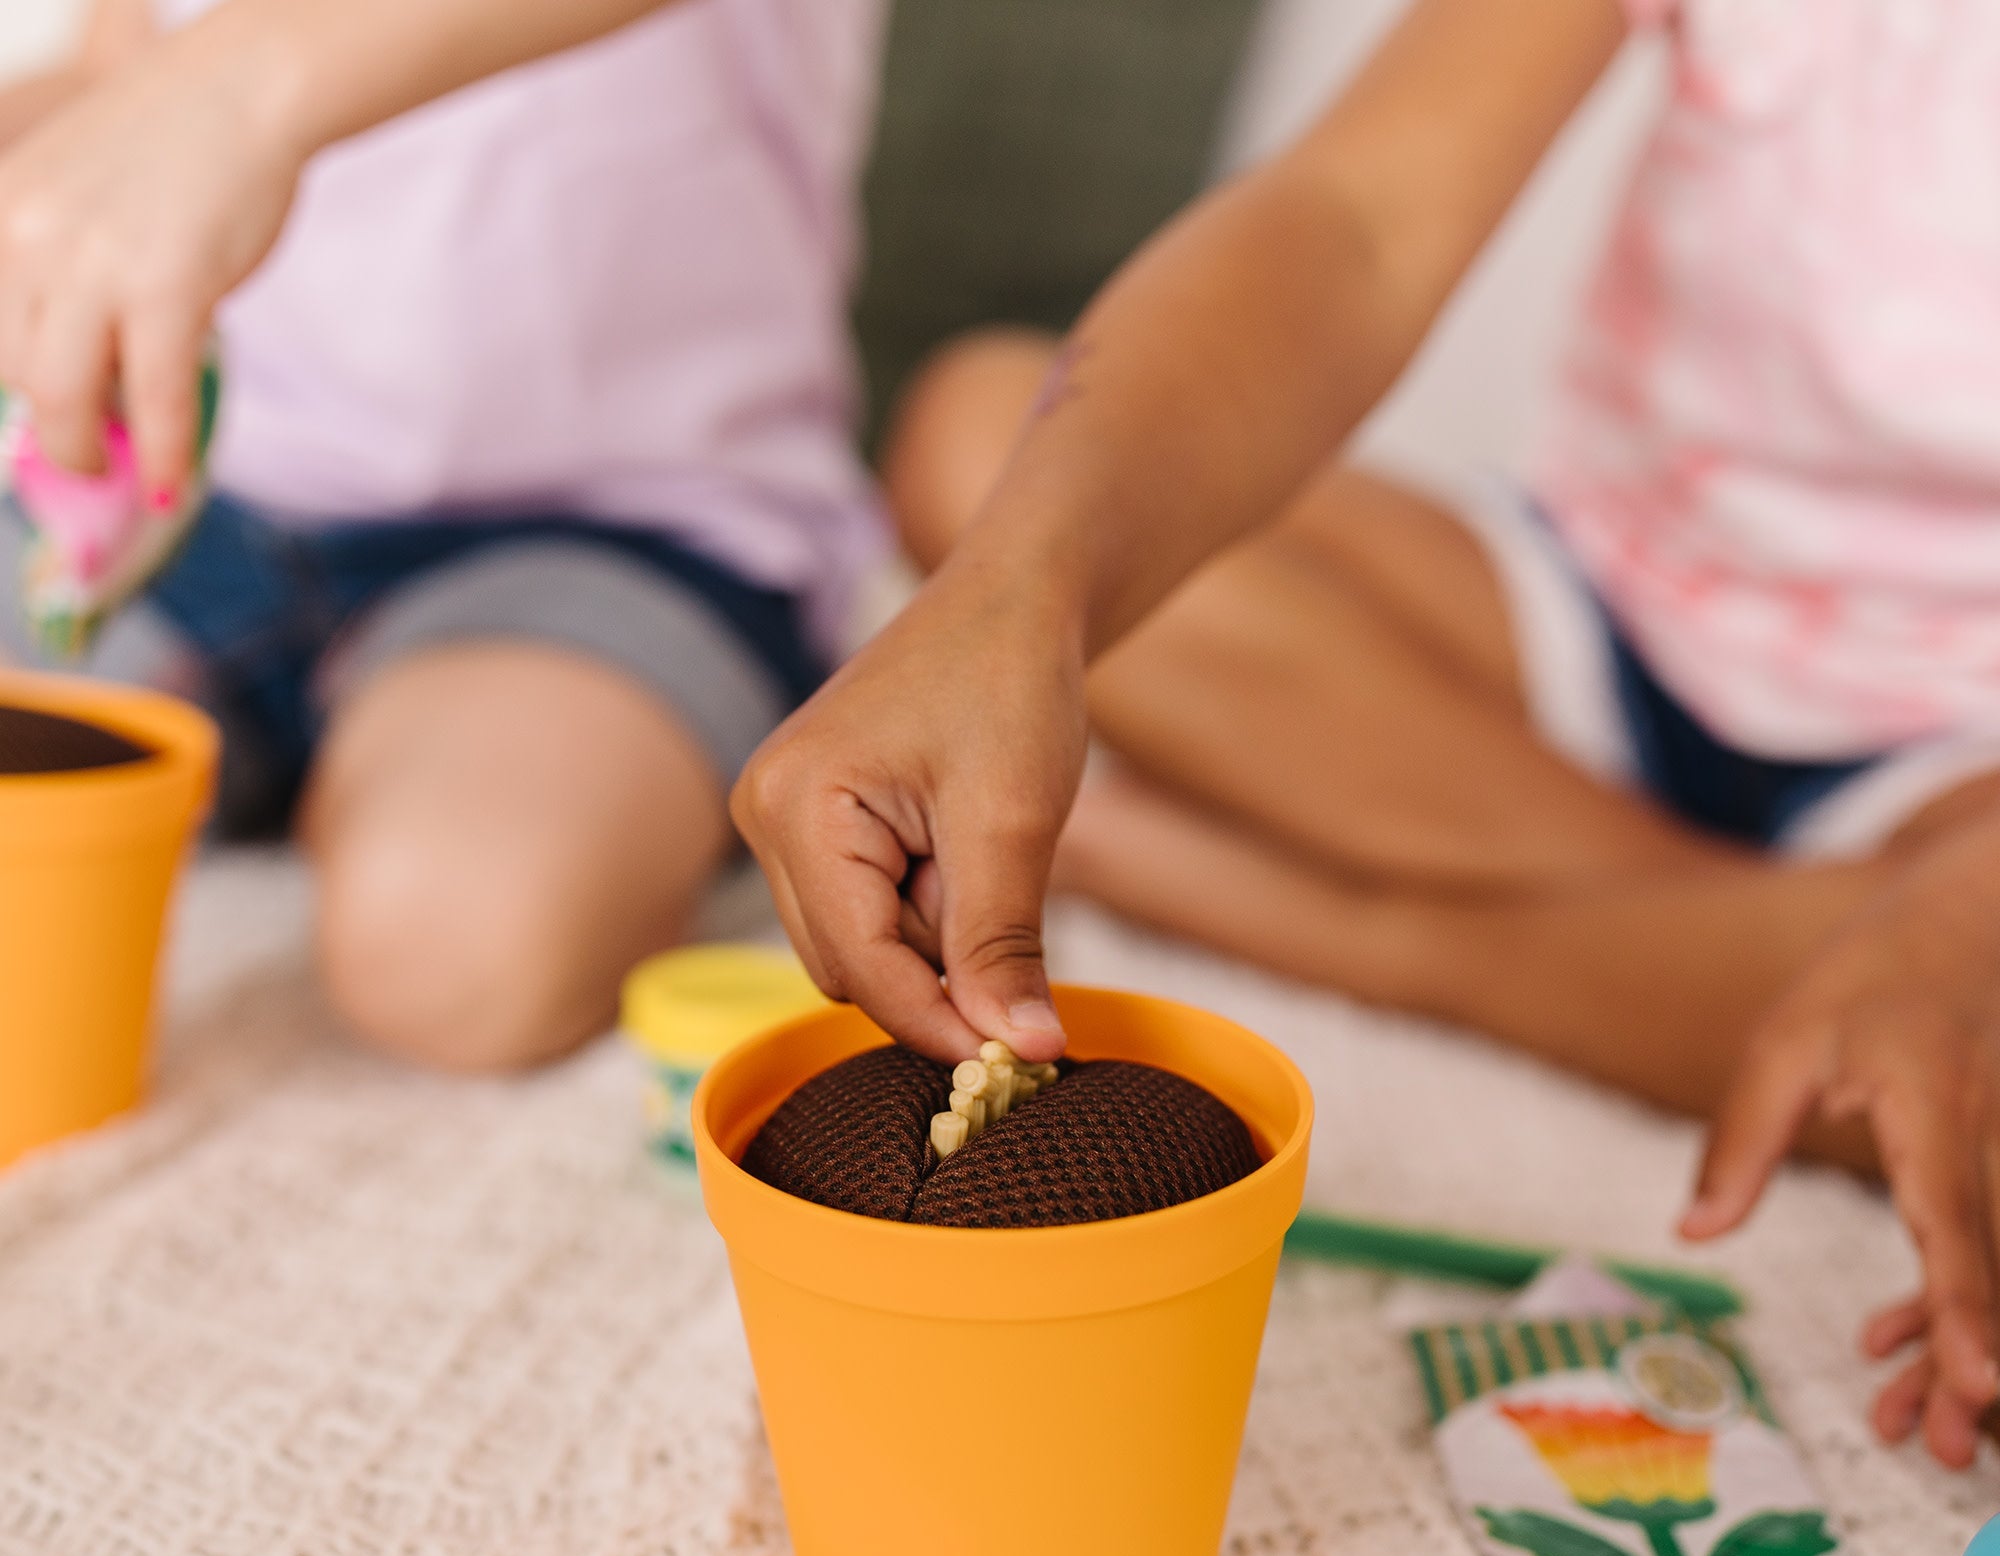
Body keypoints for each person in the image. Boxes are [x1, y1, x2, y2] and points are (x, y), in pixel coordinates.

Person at [732, 0, 2000, 1471]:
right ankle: (1725, 953)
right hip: (1587, 605)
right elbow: (1357, 217)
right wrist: (1022, 603)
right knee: (989, 441)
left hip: (1962, 765)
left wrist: (1963, 902)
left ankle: (1364, 930)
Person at [0, 0, 886, 1069]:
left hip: (619, 529)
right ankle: (332, 756)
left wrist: (238, 87)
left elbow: (189, 101)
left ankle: (396, 763)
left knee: (450, 947)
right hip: (186, 498)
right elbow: (122, 82)